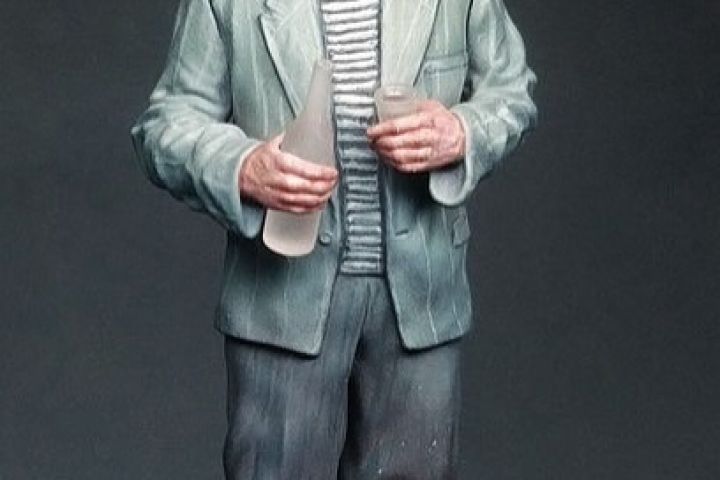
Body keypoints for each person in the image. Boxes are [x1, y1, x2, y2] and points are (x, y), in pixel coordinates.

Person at [131, 0, 536, 477]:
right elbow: (164, 126)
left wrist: (461, 132)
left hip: (422, 292)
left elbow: (511, 93)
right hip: (282, 297)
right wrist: (243, 167)